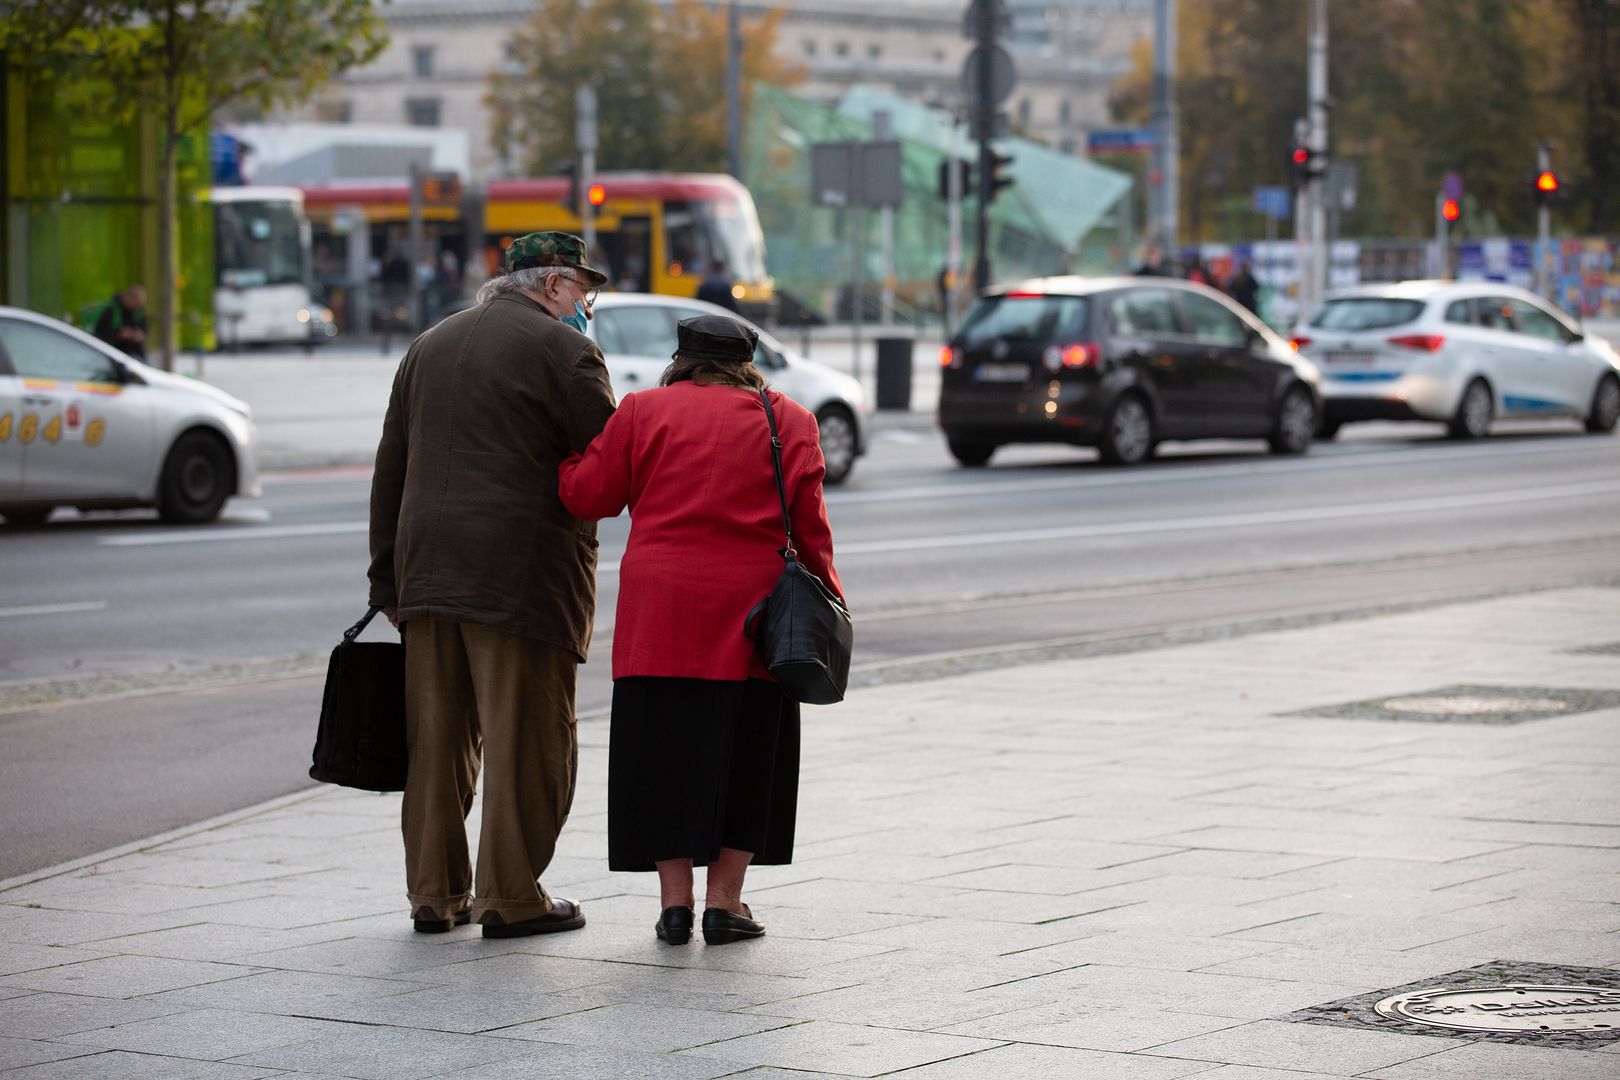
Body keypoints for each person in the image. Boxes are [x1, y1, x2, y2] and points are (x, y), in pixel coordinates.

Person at [558, 314, 842, 947]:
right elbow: (811, 529)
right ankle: (725, 903)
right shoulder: (789, 419)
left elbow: (587, 497)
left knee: (662, 753)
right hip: (753, 619)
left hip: (658, 615)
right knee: (748, 756)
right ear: (748, 361)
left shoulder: (641, 411)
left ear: (682, 359)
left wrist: (566, 456)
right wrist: (831, 601)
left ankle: (675, 906)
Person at [368, 231, 616, 939]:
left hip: (426, 574)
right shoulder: (567, 352)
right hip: (521, 576)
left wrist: (385, 576)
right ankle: (510, 895)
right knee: (526, 738)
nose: (585, 306)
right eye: (582, 292)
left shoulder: (429, 344)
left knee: (437, 742)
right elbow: (603, 470)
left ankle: (434, 893)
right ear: (552, 286)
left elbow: (392, 466)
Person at [92, 285, 148, 359]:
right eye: (136, 304)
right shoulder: (112, 310)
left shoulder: (138, 313)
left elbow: (145, 331)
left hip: (135, 353)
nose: (136, 307)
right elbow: (99, 332)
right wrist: (119, 334)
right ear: (128, 297)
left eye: (138, 305)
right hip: (114, 353)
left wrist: (139, 336)